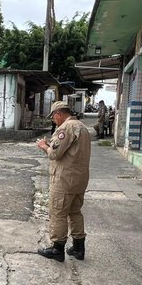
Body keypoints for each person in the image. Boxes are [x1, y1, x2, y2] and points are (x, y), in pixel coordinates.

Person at [36, 101, 91, 262]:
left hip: (65, 179)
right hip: (79, 179)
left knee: (58, 213)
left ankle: (57, 248)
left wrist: (43, 146)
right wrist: (50, 145)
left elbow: (55, 154)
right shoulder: (81, 127)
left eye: (53, 116)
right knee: (75, 212)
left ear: (59, 113)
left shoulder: (66, 128)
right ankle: (79, 247)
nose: (53, 119)